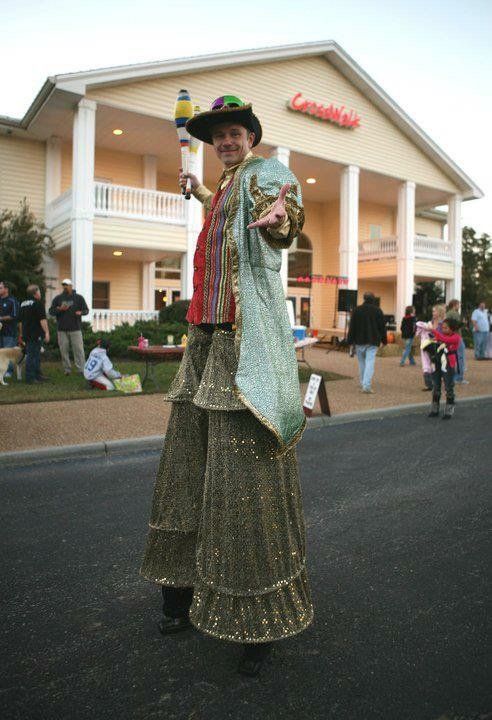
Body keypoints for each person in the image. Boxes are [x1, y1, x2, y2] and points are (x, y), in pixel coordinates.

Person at [140, 94, 312, 677]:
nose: (228, 142)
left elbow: (284, 208)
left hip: (243, 347)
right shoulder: (229, 184)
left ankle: (257, 624)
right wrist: (202, 192)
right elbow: (233, 208)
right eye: (220, 137)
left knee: (245, 483)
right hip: (204, 343)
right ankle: (180, 592)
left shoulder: (266, 174)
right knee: (186, 467)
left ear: (251, 137)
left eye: (235, 133)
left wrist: (282, 220)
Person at [347, 291, 387, 393]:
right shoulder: (378, 311)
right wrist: (384, 341)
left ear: (364, 298)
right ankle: (366, 385)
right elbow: (382, 327)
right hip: (373, 341)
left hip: (359, 341)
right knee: (370, 362)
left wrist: (350, 341)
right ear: (373, 299)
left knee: (361, 363)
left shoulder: (357, 310)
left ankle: (363, 382)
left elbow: (352, 327)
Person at [49, 279, 89, 374]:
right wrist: (60, 309)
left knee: (78, 350)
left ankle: (81, 369)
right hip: (61, 329)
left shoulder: (79, 298)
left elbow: (86, 310)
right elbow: (51, 311)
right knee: (64, 350)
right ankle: (67, 369)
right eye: (63, 285)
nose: (65, 287)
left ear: (71, 286)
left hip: (75, 328)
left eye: (67, 285)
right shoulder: (58, 298)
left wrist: (81, 312)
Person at [427, 317, 461, 419]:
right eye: (442, 328)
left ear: (452, 329)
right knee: (436, 385)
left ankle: (449, 411)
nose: (443, 330)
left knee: (448, 387)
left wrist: (433, 330)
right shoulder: (440, 335)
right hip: (437, 362)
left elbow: (445, 339)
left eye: (446, 328)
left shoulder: (456, 337)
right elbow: (436, 341)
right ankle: (434, 409)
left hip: (448, 363)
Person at [18, 285, 50, 384]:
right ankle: (30, 378)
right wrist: (47, 332)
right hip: (35, 333)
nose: (40, 293)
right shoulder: (38, 303)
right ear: (35, 293)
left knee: (35, 355)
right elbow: (42, 320)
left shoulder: (23, 304)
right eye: (39, 291)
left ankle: (37, 375)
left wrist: (21, 334)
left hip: (26, 333)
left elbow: (20, 321)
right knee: (32, 356)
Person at [416, 304, 446, 391]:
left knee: (436, 364)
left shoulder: (442, 323)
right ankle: (429, 385)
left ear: (439, 312)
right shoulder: (431, 322)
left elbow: (443, 335)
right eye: (433, 311)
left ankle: (437, 383)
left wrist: (435, 336)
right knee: (426, 363)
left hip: (437, 346)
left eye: (434, 311)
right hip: (428, 345)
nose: (433, 313)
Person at [0, 280, 20, 379]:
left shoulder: (12, 300)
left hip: (9, 332)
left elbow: (15, 316)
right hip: (0, 332)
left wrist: (1, 318)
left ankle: (9, 371)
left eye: (1, 288)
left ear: (6, 289)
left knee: (7, 352)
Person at [446, 299, 467, 384]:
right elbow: (456, 325)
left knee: (453, 357)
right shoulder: (454, 313)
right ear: (454, 305)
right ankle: (459, 377)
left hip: (451, 337)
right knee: (460, 357)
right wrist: (463, 323)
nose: (459, 306)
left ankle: (453, 376)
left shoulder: (447, 313)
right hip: (457, 337)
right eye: (458, 305)